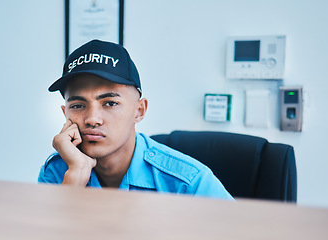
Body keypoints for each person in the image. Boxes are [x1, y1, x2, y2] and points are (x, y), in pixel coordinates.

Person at [38, 39, 233, 200]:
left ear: (139, 111)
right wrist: (75, 178)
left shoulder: (188, 183)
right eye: (78, 106)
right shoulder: (59, 171)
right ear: (65, 113)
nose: (92, 119)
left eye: (110, 103)